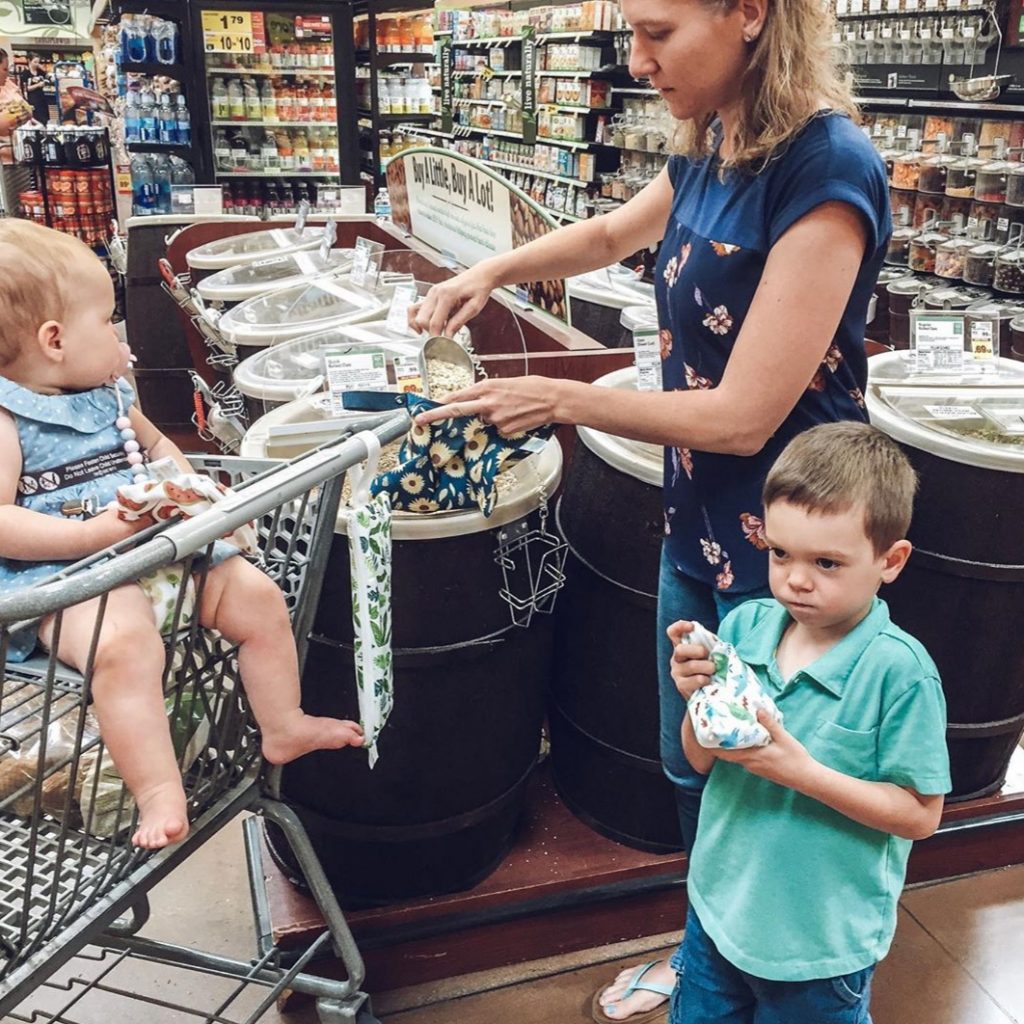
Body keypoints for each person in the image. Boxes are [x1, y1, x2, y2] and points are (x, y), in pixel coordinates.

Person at [410, 0, 892, 1017]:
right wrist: (491, 269)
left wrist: (561, 398)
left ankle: (806, 980)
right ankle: (708, 957)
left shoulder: (826, 170)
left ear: (749, 14)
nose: (637, 61)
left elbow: (741, 413)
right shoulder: (716, 142)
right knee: (697, 762)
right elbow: (607, 232)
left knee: (797, 786)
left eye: (659, 32)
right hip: (701, 528)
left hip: (800, 556)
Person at [0, 220, 366, 850]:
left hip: (163, 550)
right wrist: (91, 536)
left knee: (256, 596)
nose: (119, 337)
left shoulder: (107, 396)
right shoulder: (8, 419)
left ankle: (281, 722)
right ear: (54, 340)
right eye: (106, 321)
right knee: (127, 650)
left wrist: (201, 499)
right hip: (72, 582)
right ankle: (157, 790)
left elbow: (161, 448)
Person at [666, 421, 950, 1023]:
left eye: (826, 562)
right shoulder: (744, 627)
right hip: (718, 910)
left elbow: (921, 816)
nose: (796, 579)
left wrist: (802, 772)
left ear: (890, 560)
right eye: (779, 553)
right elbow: (698, 759)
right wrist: (696, 696)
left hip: (820, 948)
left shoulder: (899, 674)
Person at [0, 50, 33, 165]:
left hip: (17, 157)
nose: (7, 73)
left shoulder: (8, 85)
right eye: (4, 69)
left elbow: (26, 108)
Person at [20, 56, 52, 126]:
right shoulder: (25, 73)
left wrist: (44, 71)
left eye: (38, 62)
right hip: (32, 100)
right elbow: (26, 88)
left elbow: (50, 78)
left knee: (44, 119)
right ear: (29, 61)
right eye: (35, 62)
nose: (36, 64)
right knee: (34, 120)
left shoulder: (40, 72)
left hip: (42, 99)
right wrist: (38, 85)